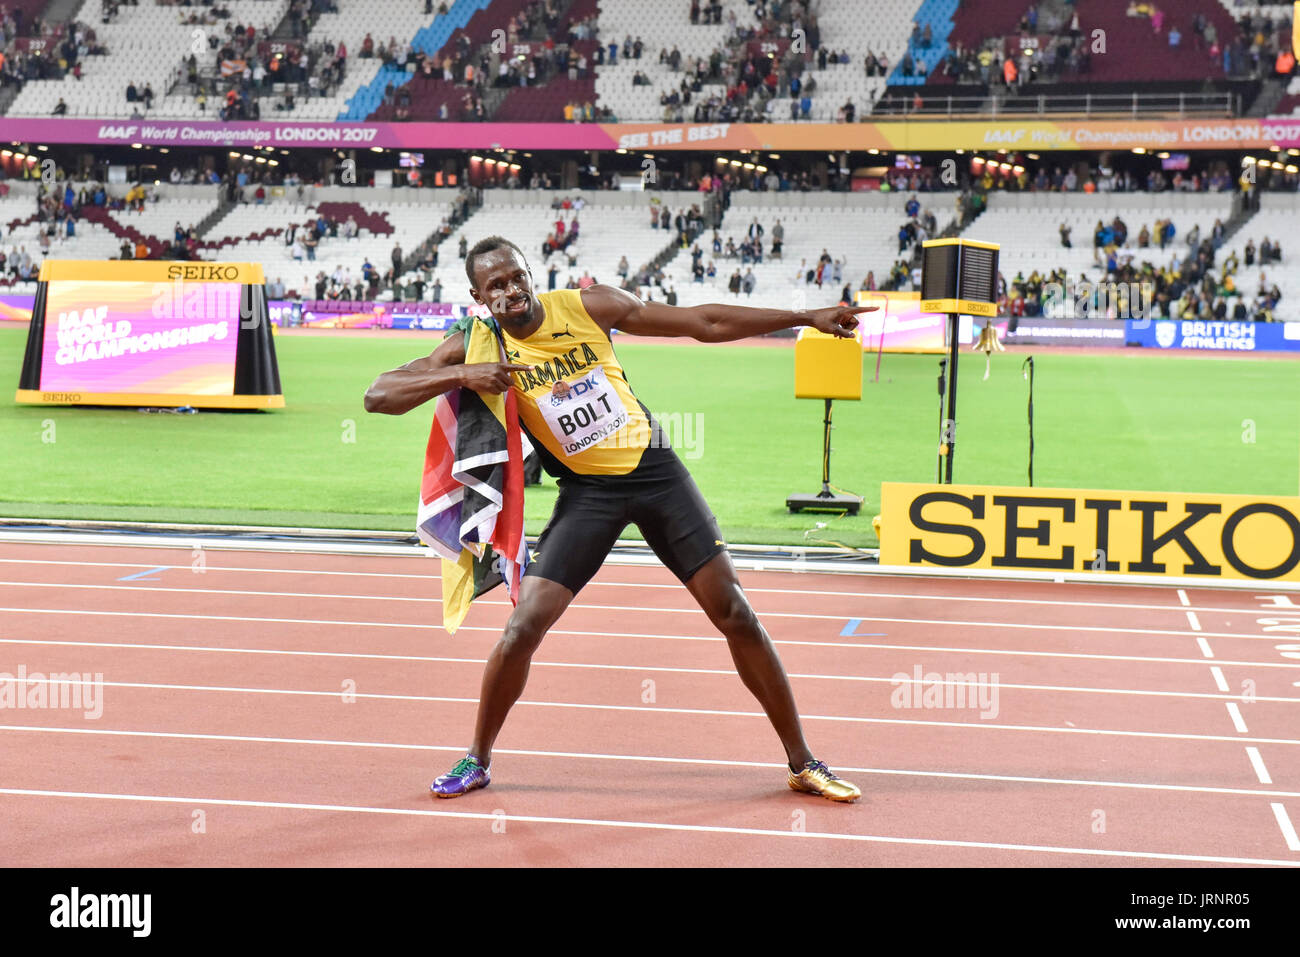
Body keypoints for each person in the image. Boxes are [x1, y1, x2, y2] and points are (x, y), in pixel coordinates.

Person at [363, 236, 874, 803]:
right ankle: (476, 759)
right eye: (495, 286)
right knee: (522, 626)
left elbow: (702, 320)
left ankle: (803, 762)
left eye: (516, 277)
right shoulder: (474, 343)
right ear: (477, 296)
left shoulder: (588, 306)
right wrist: (462, 376)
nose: (510, 291)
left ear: (530, 273)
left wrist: (808, 317)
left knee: (735, 612)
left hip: (657, 474)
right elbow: (378, 395)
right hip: (587, 495)